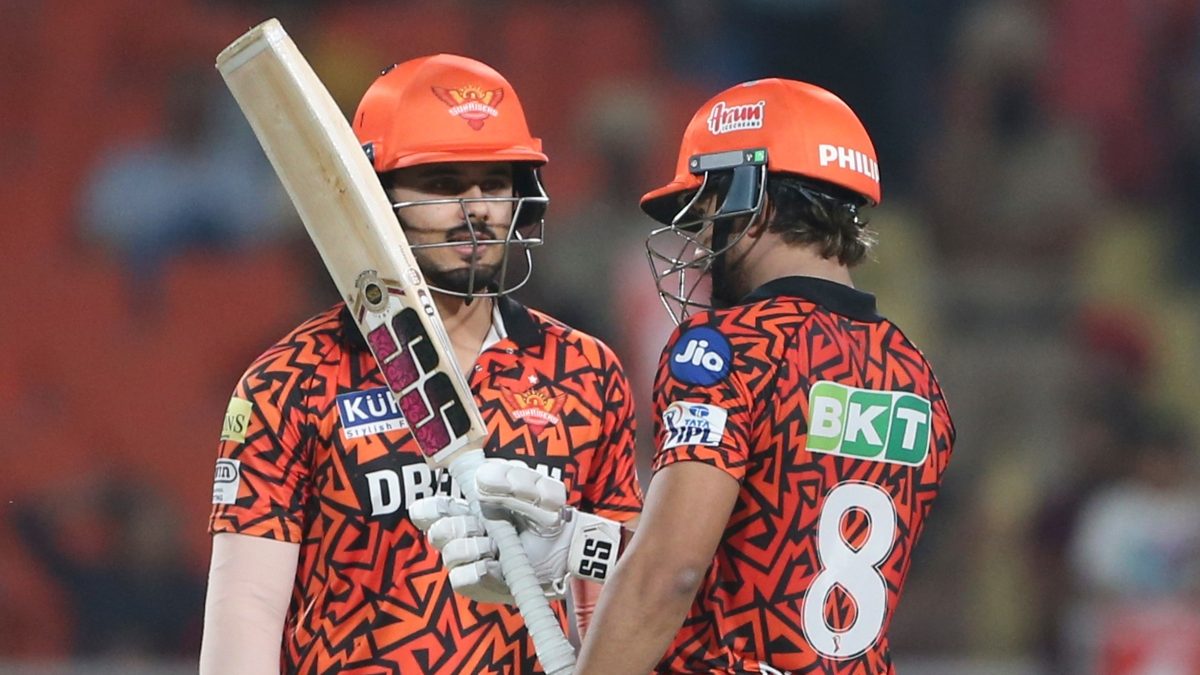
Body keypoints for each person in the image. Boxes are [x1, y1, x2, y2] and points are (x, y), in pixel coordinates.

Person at [419, 78, 957, 673]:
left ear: (758, 202)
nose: (699, 239)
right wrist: (581, 544)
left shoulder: (729, 348)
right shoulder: (913, 370)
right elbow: (767, 558)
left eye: (706, 211)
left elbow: (671, 573)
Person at [198, 54, 642, 674]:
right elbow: (246, 606)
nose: (476, 209)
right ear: (372, 199)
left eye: (494, 183)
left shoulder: (584, 371)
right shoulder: (289, 381)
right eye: (442, 183)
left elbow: (619, 599)